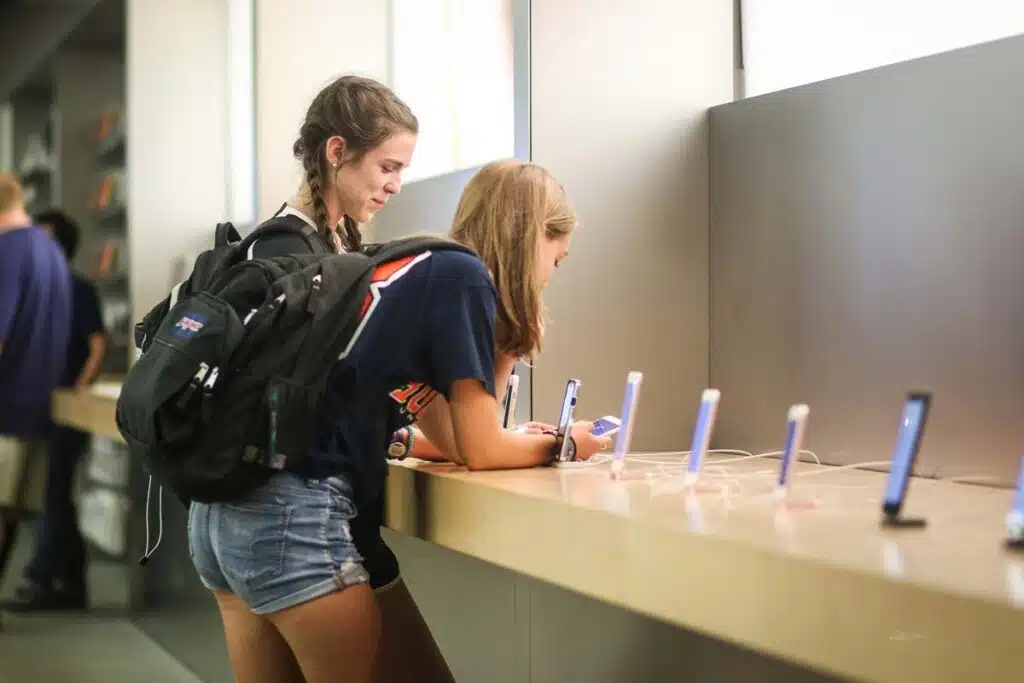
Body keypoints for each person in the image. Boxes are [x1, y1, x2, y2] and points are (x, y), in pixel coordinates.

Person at [187, 75, 609, 683]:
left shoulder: (403, 267)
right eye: (554, 260)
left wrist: (511, 379)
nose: (549, 278)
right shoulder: (460, 278)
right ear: (529, 242)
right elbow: (483, 449)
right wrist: (567, 443)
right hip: (295, 518)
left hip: (222, 517)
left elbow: (456, 441)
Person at [7, 209, 107, 611]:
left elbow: (98, 343)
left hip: (63, 408)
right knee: (52, 495)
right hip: (32, 407)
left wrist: (78, 389)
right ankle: (68, 582)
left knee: (53, 494)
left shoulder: (76, 289)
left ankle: (43, 579)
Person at [0, 173, 72, 599]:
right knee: (7, 510)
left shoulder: (8, 251)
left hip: (4, 404)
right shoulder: (49, 251)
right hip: (32, 407)